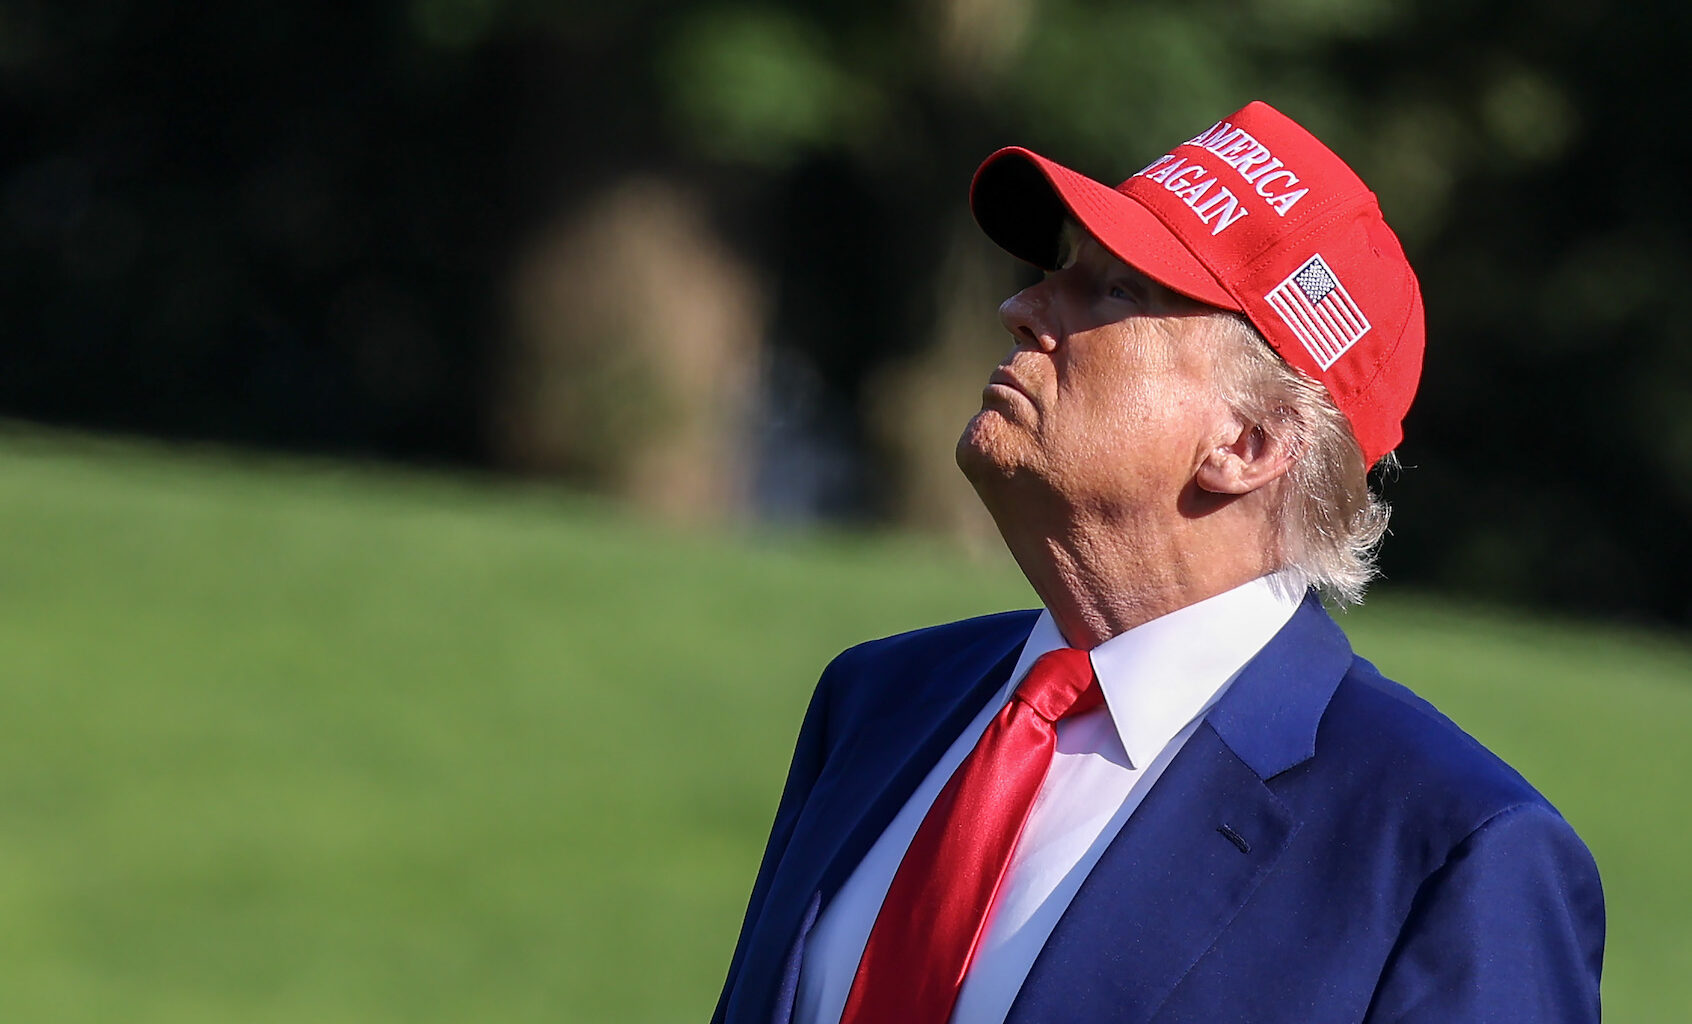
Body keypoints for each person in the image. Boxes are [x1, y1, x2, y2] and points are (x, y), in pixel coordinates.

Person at [712, 101, 1604, 1024]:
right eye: (1058, 270)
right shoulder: (877, 700)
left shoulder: (1451, 852)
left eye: (1117, 291)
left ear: (1249, 442)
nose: (1021, 308)